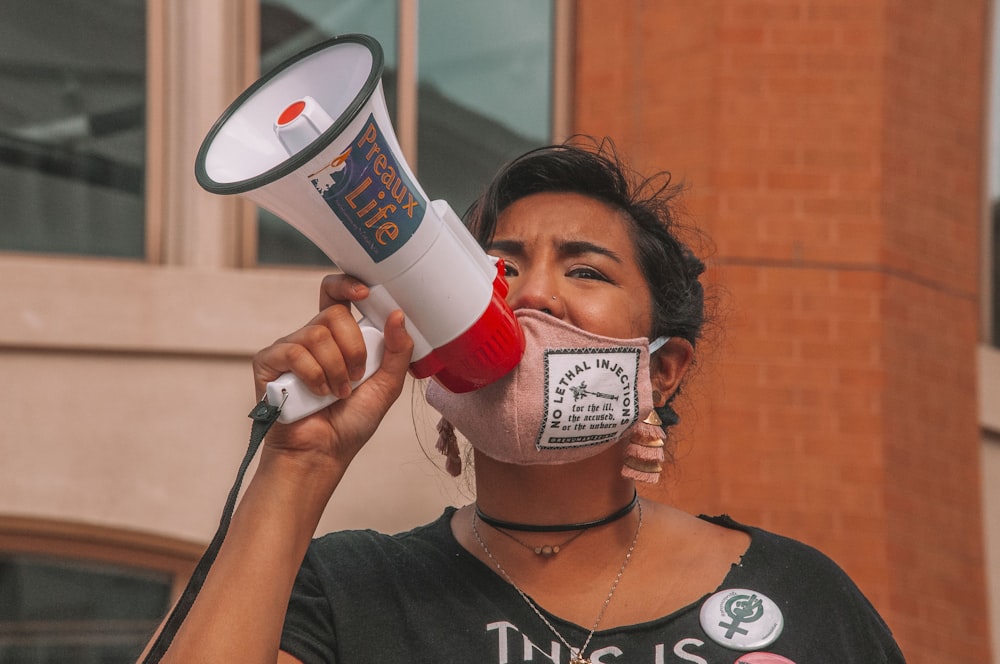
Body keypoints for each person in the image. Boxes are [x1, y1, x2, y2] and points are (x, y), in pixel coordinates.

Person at [147, 140, 905, 663]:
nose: (534, 294)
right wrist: (297, 464)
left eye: (587, 272)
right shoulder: (343, 593)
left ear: (663, 369)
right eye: (500, 269)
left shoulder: (799, 595)